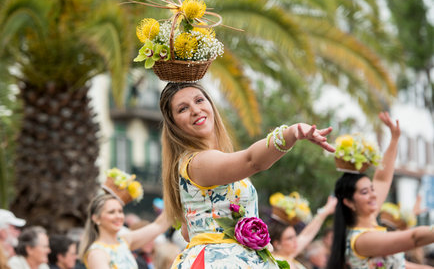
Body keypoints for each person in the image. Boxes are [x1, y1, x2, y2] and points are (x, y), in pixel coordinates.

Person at [158, 82, 336, 268]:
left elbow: (189, 232)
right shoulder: (198, 162)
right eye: (183, 109)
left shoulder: (196, 163)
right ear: (174, 124)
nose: (195, 110)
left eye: (199, 100)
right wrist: (290, 133)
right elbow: (252, 161)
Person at [327, 112, 434, 269]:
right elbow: (414, 238)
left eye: (372, 189)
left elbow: (382, 179)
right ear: (349, 202)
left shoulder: (371, 225)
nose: (373, 194)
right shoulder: (361, 240)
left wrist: (394, 139)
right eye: (365, 192)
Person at [78, 193, 170, 269]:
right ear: (96, 218)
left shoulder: (124, 241)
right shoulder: (97, 253)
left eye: (120, 211)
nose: (118, 216)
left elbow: (159, 225)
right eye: (111, 212)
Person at [269, 196, 337, 269]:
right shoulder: (275, 261)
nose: (295, 240)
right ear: (277, 244)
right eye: (289, 238)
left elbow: (307, 234)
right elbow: (306, 235)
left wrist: (326, 210)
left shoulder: (288, 257)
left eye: (295, 236)